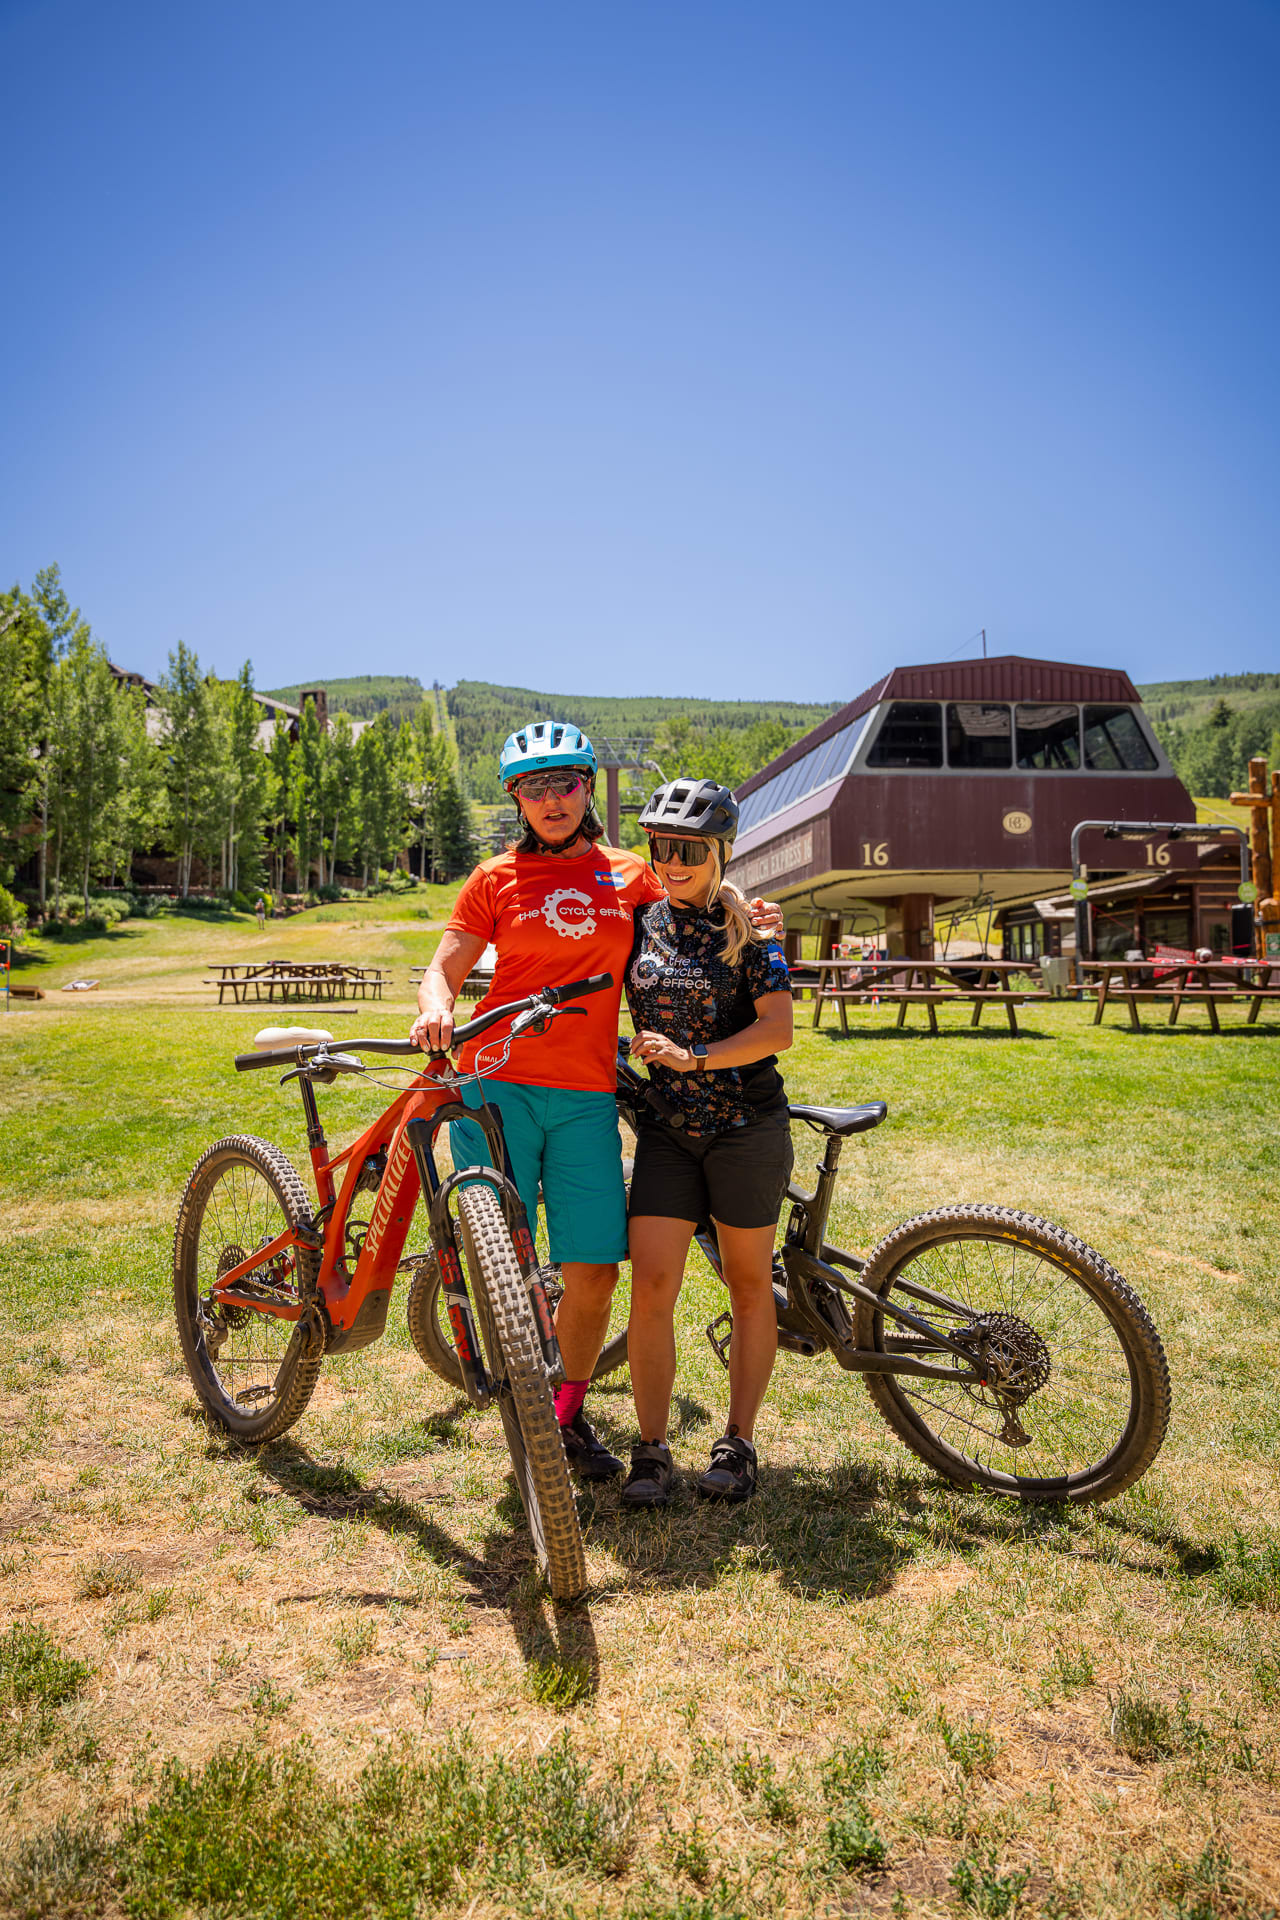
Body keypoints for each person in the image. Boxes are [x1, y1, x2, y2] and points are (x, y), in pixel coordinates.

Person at [412, 726, 782, 1485]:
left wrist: (753, 913)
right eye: (533, 788)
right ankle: (526, 1386)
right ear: (516, 798)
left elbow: (699, 891)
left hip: (585, 1095)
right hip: (496, 1085)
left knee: (595, 1273)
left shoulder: (629, 874)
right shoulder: (494, 876)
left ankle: (567, 1412)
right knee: (505, 1260)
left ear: (587, 789)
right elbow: (442, 968)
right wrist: (432, 1007)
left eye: (565, 784)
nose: (551, 801)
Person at [619, 778, 794, 1509]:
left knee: (750, 1288)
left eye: (689, 847)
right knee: (652, 1287)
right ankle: (652, 1449)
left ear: (721, 850)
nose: (673, 860)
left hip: (745, 1131)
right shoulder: (639, 923)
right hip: (666, 1132)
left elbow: (776, 1031)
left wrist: (693, 1056)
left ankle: (738, 1442)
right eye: (662, 846)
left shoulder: (754, 932)